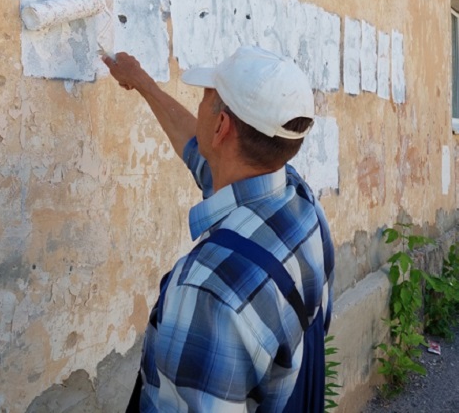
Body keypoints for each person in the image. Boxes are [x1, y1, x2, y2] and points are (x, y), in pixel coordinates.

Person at [104, 45, 334, 412]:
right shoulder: (300, 201)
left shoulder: (208, 290)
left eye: (204, 98)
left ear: (221, 127)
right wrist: (142, 83)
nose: (198, 107)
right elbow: (199, 150)